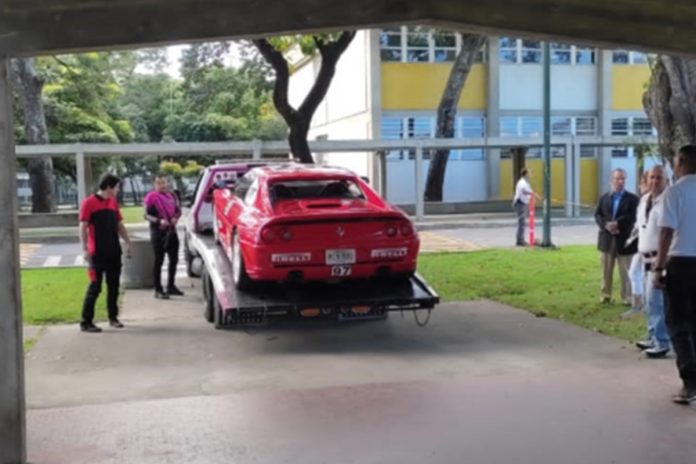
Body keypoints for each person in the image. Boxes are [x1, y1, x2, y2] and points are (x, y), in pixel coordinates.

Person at [653, 145, 696, 404]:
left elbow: (666, 232)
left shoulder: (675, 192)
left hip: (681, 263)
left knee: (677, 322)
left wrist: (658, 268)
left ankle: (690, 382)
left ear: (681, 162)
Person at [79, 173, 132, 333]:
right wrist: (84, 249)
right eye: (116, 187)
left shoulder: (113, 203)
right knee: (95, 287)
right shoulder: (89, 203)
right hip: (97, 253)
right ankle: (86, 321)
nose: (118, 190)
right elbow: (82, 227)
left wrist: (127, 241)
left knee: (114, 286)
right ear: (109, 187)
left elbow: (119, 224)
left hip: (113, 251)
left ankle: (113, 317)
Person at [629, 166, 671, 358]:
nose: (655, 181)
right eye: (651, 177)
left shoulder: (667, 201)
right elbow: (640, 227)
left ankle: (661, 341)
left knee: (657, 301)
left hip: (658, 258)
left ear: (665, 180)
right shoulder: (644, 200)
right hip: (643, 256)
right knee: (649, 301)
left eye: (659, 177)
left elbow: (666, 232)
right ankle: (653, 335)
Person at [594, 168, 639, 304]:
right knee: (606, 270)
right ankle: (605, 295)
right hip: (607, 240)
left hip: (624, 239)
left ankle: (627, 297)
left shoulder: (632, 199)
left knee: (625, 271)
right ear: (611, 181)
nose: (620, 181)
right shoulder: (604, 197)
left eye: (623, 179)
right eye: (617, 179)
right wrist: (606, 225)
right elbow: (598, 215)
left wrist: (617, 223)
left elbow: (633, 216)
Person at [144, 173, 184, 299]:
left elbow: (178, 210)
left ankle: (171, 286)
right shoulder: (151, 197)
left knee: (174, 259)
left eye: (164, 182)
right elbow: (146, 215)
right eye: (159, 183)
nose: (162, 185)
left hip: (171, 231)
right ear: (154, 185)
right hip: (158, 232)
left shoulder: (172, 195)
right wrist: (158, 221)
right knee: (159, 260)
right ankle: (158, 289)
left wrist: (175, 218)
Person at [622, 171, 650, 318]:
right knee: (635, 272)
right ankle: (639, 303)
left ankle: (641, 304)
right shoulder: (644, 200)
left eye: (642, 183)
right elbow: (638, 224)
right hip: (641, 242)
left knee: (642, 273)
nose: (640, 186)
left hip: (648, 243)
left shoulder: (651, 201)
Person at [513, 168, 541, 247]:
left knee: (522, 222)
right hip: (520, 203)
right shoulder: (522, 182)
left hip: (523, 203)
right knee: (521, 222)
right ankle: (520, 241)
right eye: (529, 172)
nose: (531, 174)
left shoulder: (526, 183)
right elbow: (524, 191)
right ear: (526, 174)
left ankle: (520, 240)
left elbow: (529, 193)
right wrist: (534, 194)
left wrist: (534, 197)